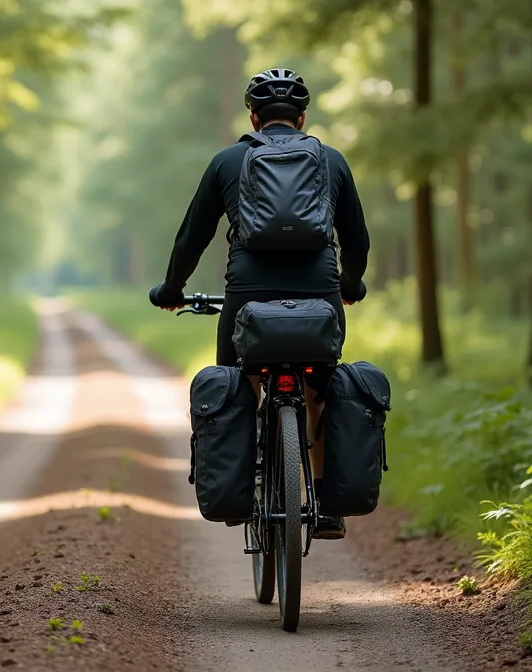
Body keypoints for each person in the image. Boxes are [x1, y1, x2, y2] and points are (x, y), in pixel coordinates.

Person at [148, 68, 370, 540]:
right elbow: (357, 241)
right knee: (320, 390)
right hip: (320, 294)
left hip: (248, 294)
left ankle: (239, 490)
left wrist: (171, 289)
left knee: (238, 384)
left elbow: (192, 238)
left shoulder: (228, 161)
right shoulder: (331, 161)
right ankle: (327, 505)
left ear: (253, 118)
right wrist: (349, 286)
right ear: (302, 118)